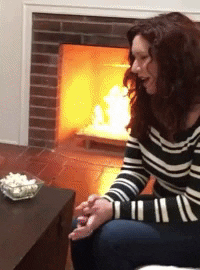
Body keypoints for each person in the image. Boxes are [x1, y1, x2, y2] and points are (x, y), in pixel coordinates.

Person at [69, 12, 200, 269]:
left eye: (143, 58)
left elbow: (194, 206)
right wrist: (106, 203)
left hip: (194, 221)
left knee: (112, 239)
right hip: (169, 210)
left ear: (174, 62)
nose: (134, 68)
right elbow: (134, 169)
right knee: (82, 226)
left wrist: (115, 211)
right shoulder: (151, 101)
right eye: (134, 58)